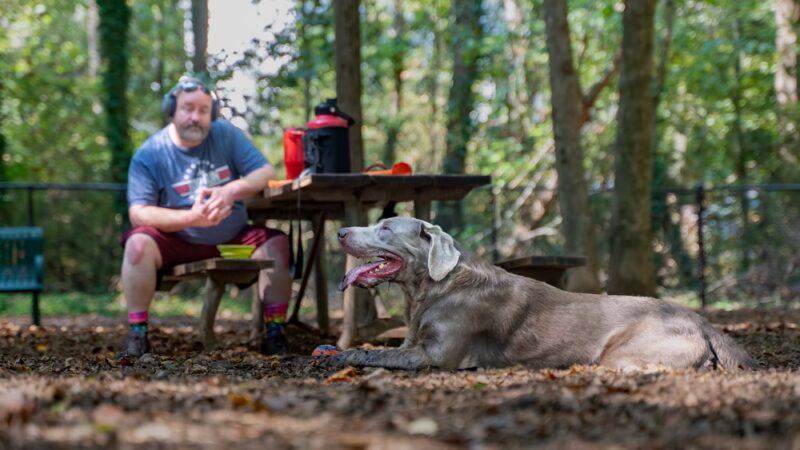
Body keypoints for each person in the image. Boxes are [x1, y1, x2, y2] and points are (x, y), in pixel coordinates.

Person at [118, 75, 292, 358]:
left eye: (204, 110)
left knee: (278, 244)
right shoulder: (150, 153)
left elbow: (265, 173)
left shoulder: (226, 134)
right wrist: (191, 218)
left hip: (231, 242)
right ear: (172, 110)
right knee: (137, 244)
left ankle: (275, 333)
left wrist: (231, 191)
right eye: (188, 108)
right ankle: (137, 334)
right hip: (177, 244)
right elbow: (139, 213)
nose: (195, 117)